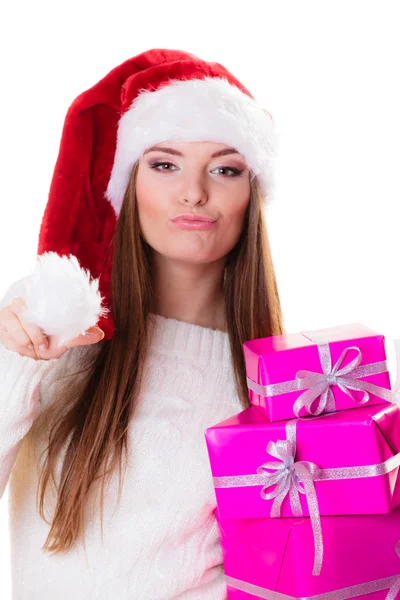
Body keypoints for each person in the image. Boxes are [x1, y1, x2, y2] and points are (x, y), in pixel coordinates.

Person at [0, 48, 284, 599]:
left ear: (253, 195)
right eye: (164, 163)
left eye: (224, 169)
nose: (194, 192)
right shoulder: (55, 324)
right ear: (127, 182)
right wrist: (16, 361)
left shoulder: (273, 386)